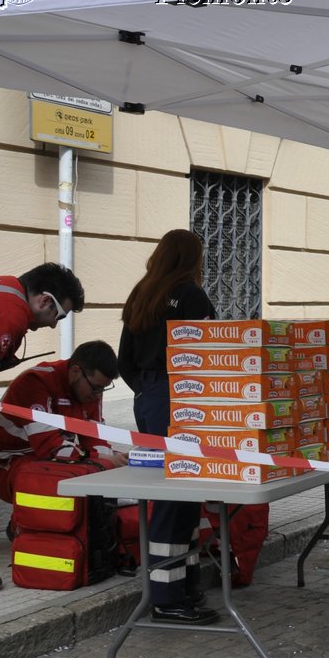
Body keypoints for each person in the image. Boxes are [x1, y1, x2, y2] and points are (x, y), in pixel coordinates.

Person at [0, 263, 84, 595]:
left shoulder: (0, 290)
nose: (54, 324)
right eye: (60, 316)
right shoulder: (10, 308)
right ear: (43, 300)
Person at [119, 230, 220, 625]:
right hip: (183, 398)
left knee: (179, 493)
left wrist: (149, 393)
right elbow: (212, 350)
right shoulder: (190, 295)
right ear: (193, 259)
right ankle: (167, 597)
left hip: (149, 396)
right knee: (178, 495)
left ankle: (182, 586)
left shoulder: (141, 293)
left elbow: (124, 358)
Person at [0, 339, 127, 512]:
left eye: (103, 389)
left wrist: (115, 461)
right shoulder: (36, 382)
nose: (98, 395)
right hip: (8, 462)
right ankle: (25, 527)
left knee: (114, 466)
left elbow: (96, 440)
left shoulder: (88, 390)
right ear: (75, 372)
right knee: (67, 475)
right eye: (96, 388)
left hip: (48, 456)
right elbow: (49, 448)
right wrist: (102, 459)